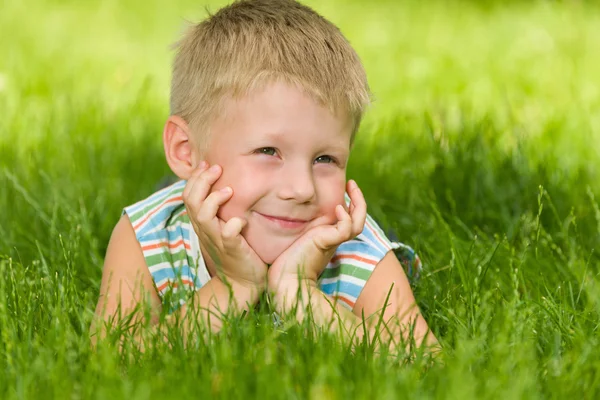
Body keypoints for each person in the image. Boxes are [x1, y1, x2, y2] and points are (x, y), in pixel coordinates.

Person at [91, 0, 438, 352]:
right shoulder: (147, 234)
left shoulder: (353, 247)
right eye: (268, 152)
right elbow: (112, 358)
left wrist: (300, 289)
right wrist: (235, 285)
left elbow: (426, 363)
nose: (302, 188)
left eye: (325, 158)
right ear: (185, 150)